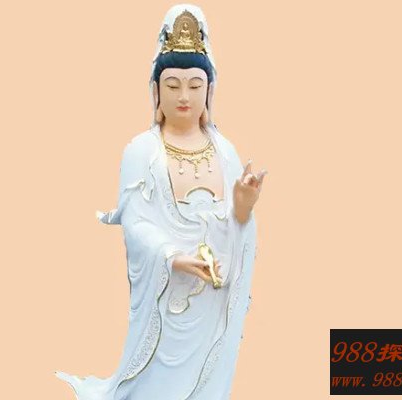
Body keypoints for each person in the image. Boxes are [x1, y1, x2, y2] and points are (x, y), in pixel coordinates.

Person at [55, 4, 267, 399]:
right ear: (155, 90)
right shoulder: (142, 151)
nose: (184, 96)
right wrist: (172, 257)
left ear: (210, 91)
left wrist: (243, 207)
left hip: (212, 300)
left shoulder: (225, 152)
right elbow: (136, 224)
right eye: (172, 85)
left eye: (194, 86)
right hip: (167, 299)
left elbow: (237, 225)